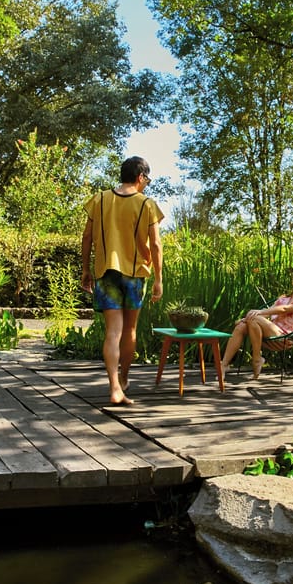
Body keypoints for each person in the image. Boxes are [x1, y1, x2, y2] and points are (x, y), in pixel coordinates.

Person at [80, 156, 164, 405]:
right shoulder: (147, 204)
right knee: (130, 330)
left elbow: (86, 237)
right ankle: (124, 378)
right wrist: (159, 279)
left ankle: (115, 387)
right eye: (147, 179)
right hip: (135, 274)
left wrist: (85, 269)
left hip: (106, 271)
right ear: (140, 177)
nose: (146, 184)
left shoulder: (100, 199)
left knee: (113, 331)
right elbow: (156, 245)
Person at [219, 273, 293, 380]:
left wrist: (258, 313)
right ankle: (224, 365)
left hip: (285, 337)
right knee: (241, 326)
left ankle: (256, 359)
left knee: (254, 318)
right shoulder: (283, 299)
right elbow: (266, 314)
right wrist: (246, 319)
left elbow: (285, 309)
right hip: (270, 332)